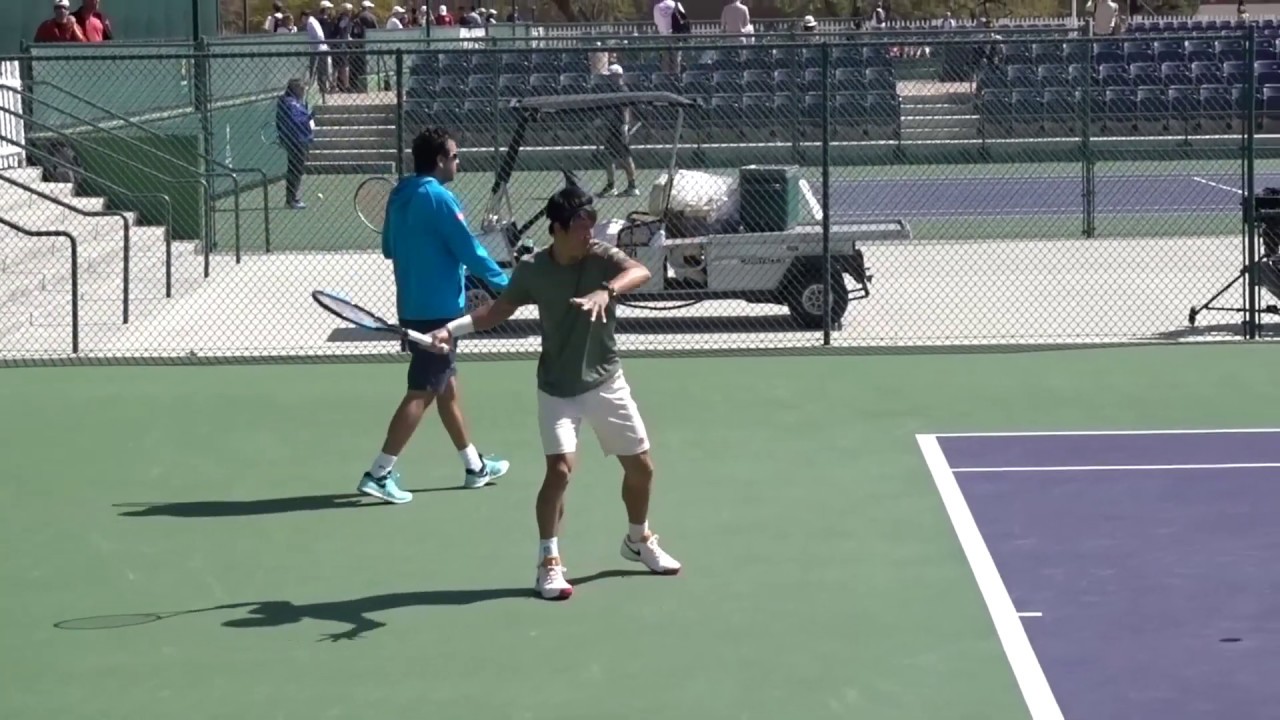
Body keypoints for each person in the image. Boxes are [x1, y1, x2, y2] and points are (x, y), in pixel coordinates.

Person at [422, 182, 681, 600]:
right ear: (558, 229)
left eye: (593, 225)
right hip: (557, 389)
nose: (590, 234)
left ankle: (638, 540)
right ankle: (548, 563)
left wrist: (607, 289)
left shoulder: (601, 257)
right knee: (559, 471)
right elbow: (497, 311)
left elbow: (641, 270)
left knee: (642, 469)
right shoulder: (533, 269)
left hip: (606, 381)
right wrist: (450, 331)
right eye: (582, 227)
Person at [359, 127, 511, 504]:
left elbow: (389, 249)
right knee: (423, 391)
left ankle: (474, 465)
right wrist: (508, 285)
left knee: (446, 389)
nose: (459, 162)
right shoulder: (440, 198)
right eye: (455, 156)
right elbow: (469, 249)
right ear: (441, 160)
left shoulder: (399, 195)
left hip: (412, 307)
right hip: (440, 313)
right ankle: (379, 472)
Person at [275, 79, 314, 210]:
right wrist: (310, 117)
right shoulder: (289, 104)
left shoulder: (294, 102)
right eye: (302, 89)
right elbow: (296, 121)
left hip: (300, 140)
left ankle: (292, 198)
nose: (304, 92)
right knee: (295, 170)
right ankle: (291, 200)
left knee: (297, 170)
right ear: (295, 89)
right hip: (296, 141)